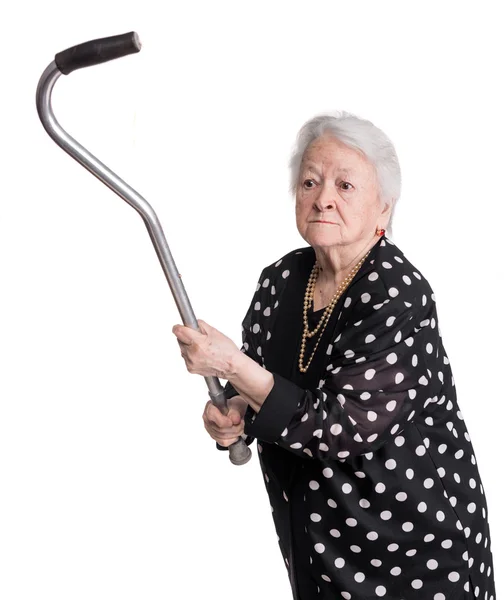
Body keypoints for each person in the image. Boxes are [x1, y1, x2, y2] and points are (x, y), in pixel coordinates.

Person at [172, 112, 497, 600]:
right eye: (310, 181)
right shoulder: (281, 282)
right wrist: (234, 411)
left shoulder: (397, 294)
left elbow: (339, 427)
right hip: (317, 547)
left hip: (413, 552)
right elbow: (269, 394)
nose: (323, 197)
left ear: (383, 209)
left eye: (345, 185)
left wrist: (231, 365)